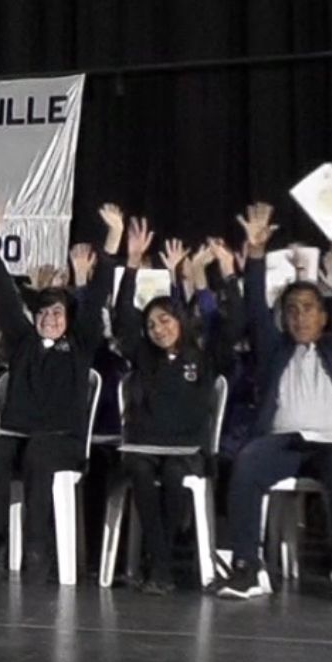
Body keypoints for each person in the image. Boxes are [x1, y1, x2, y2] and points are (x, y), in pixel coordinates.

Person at [216, 204, 332, 606]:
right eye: (292, 310)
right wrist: (256, 254)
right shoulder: (273, 350)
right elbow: (254, 306)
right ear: (283, 318)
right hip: (281, 442)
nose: (300, 317)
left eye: (309, 309)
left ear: (324, 317)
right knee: (247, 461)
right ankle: (247, 567)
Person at [0, 202, 115, 582]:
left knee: (39, 452)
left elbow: (96, 297)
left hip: (63, 440)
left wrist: (111, 243)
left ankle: (37, 547)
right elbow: (5, 297)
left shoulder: (80, 343)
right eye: (43, 313)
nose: (49, 319)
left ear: (67, 319)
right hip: (20, 435)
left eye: (56, 314)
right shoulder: (23, 342)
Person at [109, 233, 242, 593]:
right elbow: (123, 317)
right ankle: (161, 564)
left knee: (172, 476)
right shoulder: (143, 356)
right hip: (145, 446)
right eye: (152, 325)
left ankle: (160, 564)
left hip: (187, 450)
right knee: (139, 472)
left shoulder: (202, 356)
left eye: (165, 320)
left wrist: (226, 272)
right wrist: (131, 265)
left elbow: (232, 325)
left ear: (180, 320)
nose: (159, 329)